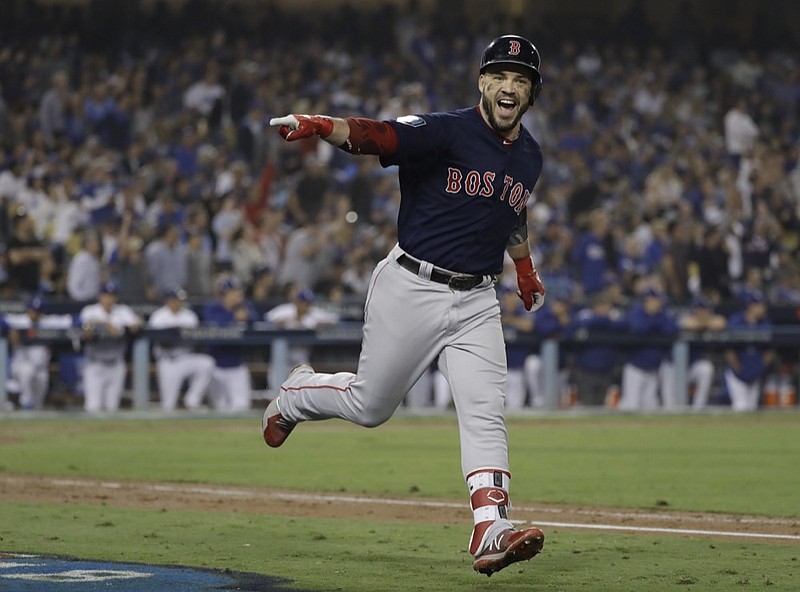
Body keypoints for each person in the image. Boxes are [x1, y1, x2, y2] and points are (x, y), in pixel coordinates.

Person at [265, 35, 547, 576]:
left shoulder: (530, 154)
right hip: (412, 284)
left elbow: (511, 211)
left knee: (485, 410)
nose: (510, 86)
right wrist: (323, 126)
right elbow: (380, 136)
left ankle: (490, 528)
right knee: (370, 407)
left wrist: (525, 268)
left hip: (478, 299)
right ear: (483, 83)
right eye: (501, 76)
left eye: (522, 79)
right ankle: (297, 393)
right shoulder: (447, 129)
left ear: (531, 94)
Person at [147, 288, 215, 411]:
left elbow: (196, 338)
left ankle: (192, 400)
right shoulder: (159, 316)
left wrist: (177, 336)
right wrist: (177, 337)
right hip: (168, 362)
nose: (177, 302)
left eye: (179, 300)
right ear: (168, 300)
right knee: (168, 405)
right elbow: (160, 341)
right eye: (174, 300)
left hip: (186, 358)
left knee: (207, 363)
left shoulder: (189, 315)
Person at [79, 281, 143, 412]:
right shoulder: (90, 311)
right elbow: (84, 326)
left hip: (116, 364)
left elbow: (137, 323)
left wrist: (125, 329)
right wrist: (107, 325)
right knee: (93, 407)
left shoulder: (123, 311)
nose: (109, 299)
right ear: (100, 296)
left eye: (111, 296)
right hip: (95, 364)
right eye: (106, 295)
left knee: (112, 408)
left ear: (116, 298)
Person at [1, 295, 74, 409]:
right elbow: (2, 320)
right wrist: (9, 329)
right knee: (27, 374)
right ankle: (25, 402)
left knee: (37, 405)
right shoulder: (19, 320)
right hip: (21, 366)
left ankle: (29, 414)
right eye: (32, 310)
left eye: (37, 311)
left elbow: (73, 320)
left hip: (41, 369)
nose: (34, 313)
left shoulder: (48, 321)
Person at [202, 276, 258, 412]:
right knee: (220, 408)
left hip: (237, 367)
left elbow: (256, 322)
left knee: (242, 407)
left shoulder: (244, 307)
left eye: (237, 292)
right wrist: (233, 317)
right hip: (216, 368)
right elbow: (214, 326)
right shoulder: (212, 307)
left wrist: (246, 317)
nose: (237, 295)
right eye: (232, 292)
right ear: (224, 295)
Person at [618, 287, 679, 411]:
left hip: (653, 372)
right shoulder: (636, 313)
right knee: (631, 406)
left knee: (651, 409)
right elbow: (640, 328)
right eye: (649, 301)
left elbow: (672, 329)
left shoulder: (663, 314)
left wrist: (654, 321)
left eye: (655, 300)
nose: (652, 303)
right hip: (635, 369)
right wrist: (656, 323)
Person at [264, 286, 340, 368]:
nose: (305, 305)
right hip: (283, 353)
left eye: (308, 303)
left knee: (304, 374)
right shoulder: (287, 309)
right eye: (303, 302)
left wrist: (318, 323)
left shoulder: (312, 313)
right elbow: (267, 318)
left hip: (301, 354)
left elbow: (335, 320)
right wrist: (287, 321)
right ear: (297, 301)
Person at [723, 290, 774, 411]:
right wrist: (738, 368)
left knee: (752, 411)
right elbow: (728, 349)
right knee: (740, 408)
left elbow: (771, 350)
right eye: (760, 305)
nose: (763, 308)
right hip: (737, 376)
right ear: (750, 305)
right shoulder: (736, 322)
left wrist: (759, 368)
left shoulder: (765, 323)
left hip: (755, 376)